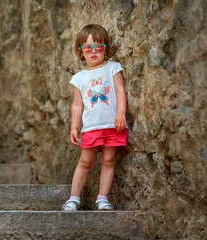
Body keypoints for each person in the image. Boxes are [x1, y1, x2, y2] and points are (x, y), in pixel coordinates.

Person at [62, 24, 128, 211]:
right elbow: (77, 104)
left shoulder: (113, 68)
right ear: (81, 51)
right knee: (85, 162)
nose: (93, 52)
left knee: (108, 161)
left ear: (105, 49)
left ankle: (102, 199)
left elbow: (120, 90)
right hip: (91, 127)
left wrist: (121, 113)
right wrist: (74, 127)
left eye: (98, 48)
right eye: (88, 48)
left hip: (113, 125)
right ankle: (73, 199)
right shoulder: (78, 78)